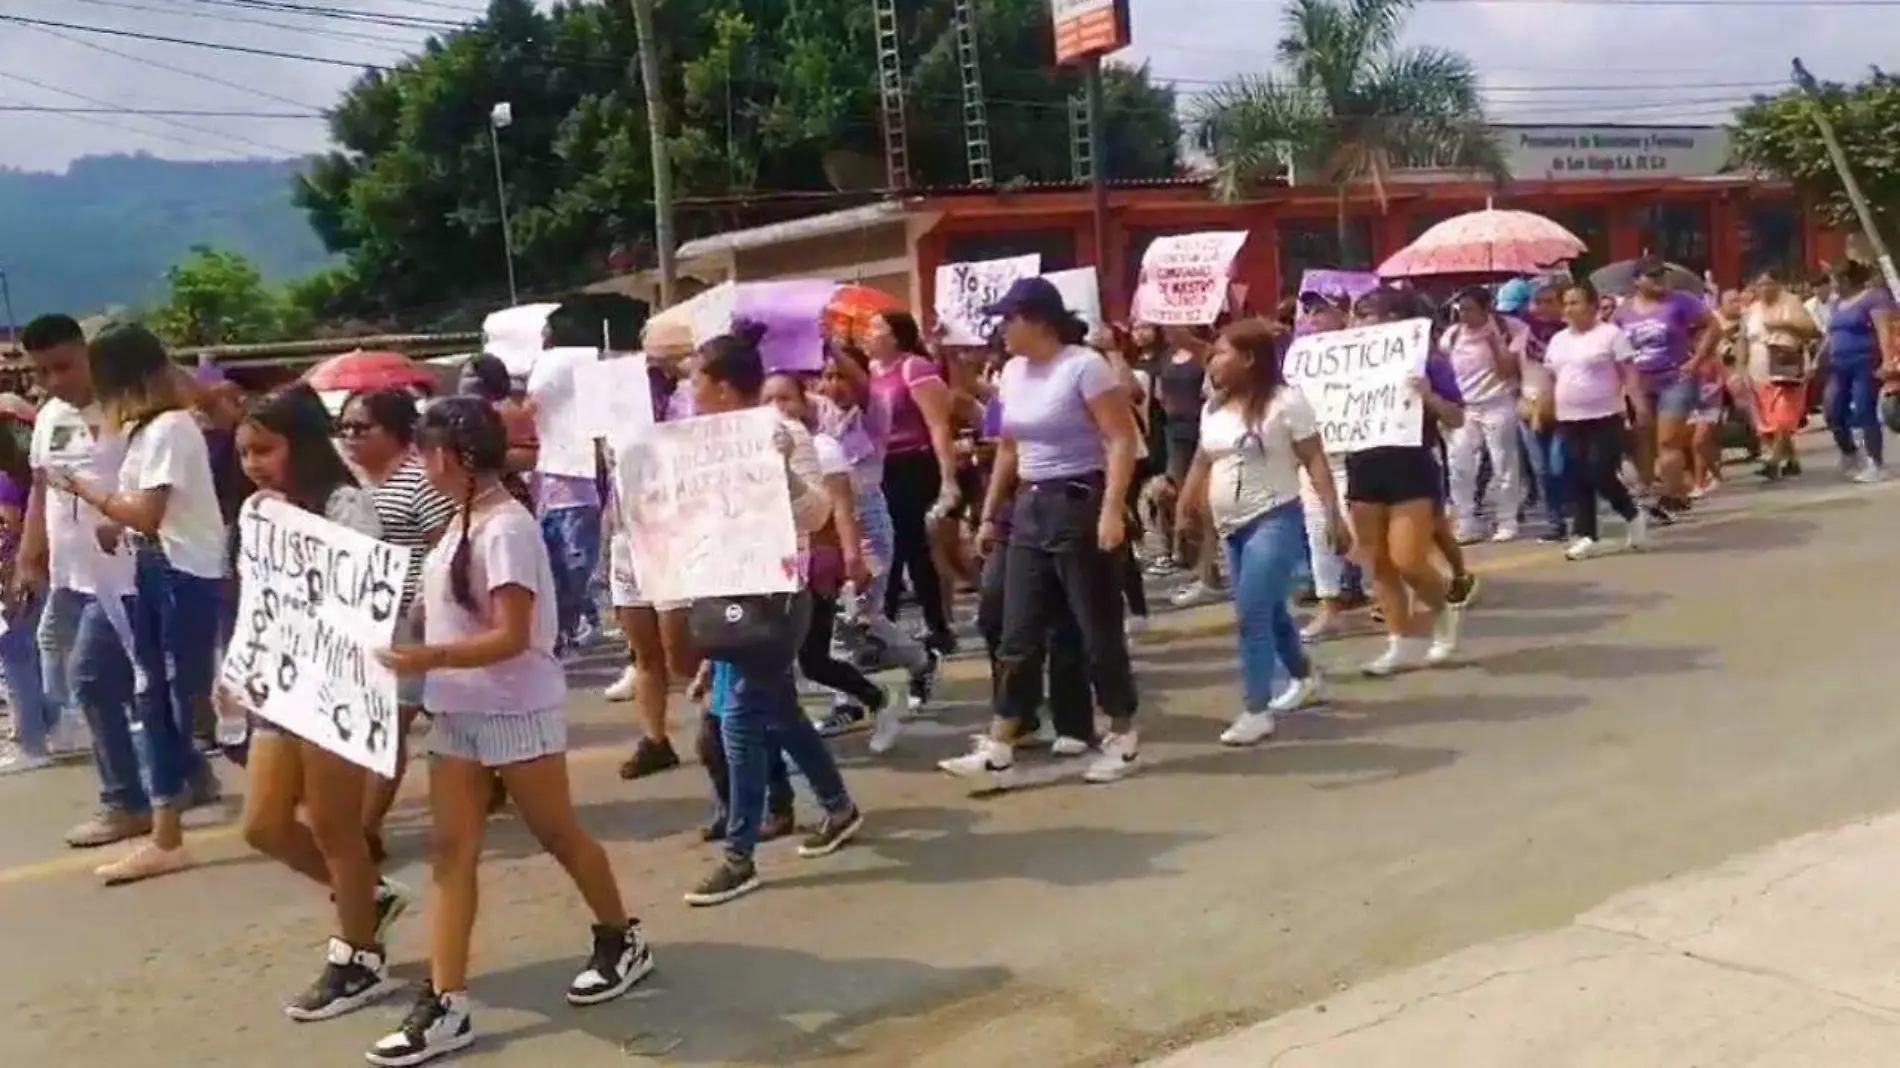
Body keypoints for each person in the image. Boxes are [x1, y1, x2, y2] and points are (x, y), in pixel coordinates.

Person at [368, 397, 653, 1067]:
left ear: (449, 457)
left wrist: (426, 658)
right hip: (459, 711)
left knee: (558, 834)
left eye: (426, 451)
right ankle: (447, 999)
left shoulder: (506, 529)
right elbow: (440, 606)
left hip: (512, 709)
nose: (421, 465)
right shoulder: (462, 519)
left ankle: (621, 936)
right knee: (450, 854)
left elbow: (510, 635)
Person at [223, 385, 414, 1021]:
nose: (252, 463)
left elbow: (363, 594)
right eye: (244, 451)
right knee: (264, 825)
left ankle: (358, 956)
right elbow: (257, 602)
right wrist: (239, 668)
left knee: (337, 827)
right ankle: (368, 898)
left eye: (264, 449)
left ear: (300, 445)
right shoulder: (257, 511)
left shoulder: (347, 504)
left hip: (338, 683)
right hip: (279, 684)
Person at [677, 326, 866, 907]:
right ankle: (839, 808)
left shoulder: (781, 435)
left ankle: (739, 857)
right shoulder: (696, 443)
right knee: (780, 714)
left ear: (726, 389)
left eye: (696, 383)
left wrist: (779, 468)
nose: (689, 393)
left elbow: (814, 515)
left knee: (737, 721)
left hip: (774, 594)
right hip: (725, 591)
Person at [940, 277, 1142, 787]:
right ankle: (1001, 740)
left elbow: (1120, 439)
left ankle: (1121, 733)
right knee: (1017, 629)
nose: (1002, 329)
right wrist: (989, 514)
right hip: (1028, 505)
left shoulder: (1084, 366)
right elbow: (1007, 447)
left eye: (1009, 319)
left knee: (1096, 629)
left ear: (1038, 320)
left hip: (1078, 499)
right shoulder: (1011, 372)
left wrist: (1113, 511)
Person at [54, 324, 226, 884]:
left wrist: (90, 493)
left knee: (189, 703)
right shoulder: (150, 430)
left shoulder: (169, 428)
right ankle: (166, 835)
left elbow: (148, 513)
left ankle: (294, 787)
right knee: (161, 701)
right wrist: (114, 524)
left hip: (181, 575)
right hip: (158, 570)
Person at [1177, 318, 1345, 747]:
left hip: (1274, 518)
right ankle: (1306, 677)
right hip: (1230, 526)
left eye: (1220, 352)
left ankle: (1256, 710)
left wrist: (1332, 515)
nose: (1212, 361)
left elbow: (1315, 461)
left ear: (1249, 359)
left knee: (1251, 614)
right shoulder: (1213, 407)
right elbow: (1202, 460)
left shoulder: (1286, 403)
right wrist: (1185, 507)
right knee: (1269, 612)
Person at [13, 314, 147, 846]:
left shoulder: (129, 411)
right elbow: (42, 488)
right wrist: (30, 554)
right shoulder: (49, 417)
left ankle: (125, 801)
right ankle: (183, 776)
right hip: (71, 574)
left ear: (88, 353)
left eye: (62, 366)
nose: (52, 381)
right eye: (41, 372)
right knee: (109, 680)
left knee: (91, 679)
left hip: (123, 574)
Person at [337, 388, 457, 864]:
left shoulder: (417, 482)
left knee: (390, 725)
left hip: (412, 620)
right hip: (368, 621)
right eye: (343, 428)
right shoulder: (353, 485)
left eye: (361, 428)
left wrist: (429, 595)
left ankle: (365, 829)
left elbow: (445, 541)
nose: (349, 437)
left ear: (395, 432)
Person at [1339, 289, 1466, 677]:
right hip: (1362, 461)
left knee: (1408, 557)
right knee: (1377, 560)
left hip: (1411, 462)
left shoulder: (1428, 360)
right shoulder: (1347, 362)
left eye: (1371, 313)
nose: (1362, 321)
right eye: (1358, 314)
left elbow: (1457, 417)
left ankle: (1443, 609)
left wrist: (1429, 397)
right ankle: (1400, 642)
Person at [868, 311, 961, 653]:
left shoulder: (915, 368)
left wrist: (948, 478)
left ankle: (935, 626)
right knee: (885, 547)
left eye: (876, 328)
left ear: (895, 336)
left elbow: (938, 426)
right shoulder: (870, 373)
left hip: (913, 465)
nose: (869, 334)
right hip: (881, 467)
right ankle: (887, 625)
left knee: (911, 546)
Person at [1546, 282, 1651, 560]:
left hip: (1605, 416)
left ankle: (1631, 513)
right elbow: (1552, 377)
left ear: (1593, 306)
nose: (1570, 308)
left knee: (1598, 471)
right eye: (1566, 303)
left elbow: (1629, 373)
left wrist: (1638, 406)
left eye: (1576, 302)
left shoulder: (1610, 335)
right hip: (1569, 417)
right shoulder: (1558, 340)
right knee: (1576, 475)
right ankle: (1586, 535)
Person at [1612, 257, 1718, 517]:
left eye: (1662, 275)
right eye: (1653, 276)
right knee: (1641, 438)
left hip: (1675, 378)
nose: (1660, 281)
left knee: (1668, 439)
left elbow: (1713, 326)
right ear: (1637, 281)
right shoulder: (1622, 313)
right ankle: (1650, 491)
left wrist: (1696, 359)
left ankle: (1672, 494)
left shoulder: (1681, 301)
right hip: (1640, 382)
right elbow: (1613, 348)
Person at [1441, 287, 1527, 543]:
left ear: (1486, 308)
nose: (1464, 315)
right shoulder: (1453, 335)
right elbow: (1445, 370)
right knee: (1460, 464)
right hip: (1465, 407)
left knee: (1504, 463)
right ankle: (1466, 521)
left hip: (1498, 403)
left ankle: (1507, 519)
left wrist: (1495, 345)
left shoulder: (1509, 328)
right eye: (1461, 309)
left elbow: (1509, 371)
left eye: (1470, 309)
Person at [0, 418, 56, 775]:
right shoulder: (16, 475)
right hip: (27, 572)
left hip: (12, 575)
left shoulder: (5, 481)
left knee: (16, 656)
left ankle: (32, 742)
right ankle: (42, 722)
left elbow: (8, 529)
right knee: (25, 653)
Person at [1820, 260, 1896, 483]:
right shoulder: (1837, 304)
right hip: (1838, 364)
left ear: (1845, 279)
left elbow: (1884, 330)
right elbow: (1830, 334)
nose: (1832, 285)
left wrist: (1888, 360)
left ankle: (1876, 462)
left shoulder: (1873, 297)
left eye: (1834, 280)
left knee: (1864, 410)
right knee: (1832, 411)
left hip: (1864, 362)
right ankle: (1850, 453)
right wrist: (1816, 360)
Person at [1743, 269, 1822, 480]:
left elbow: (1812, 330)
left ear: (1778, 284)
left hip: (1786, 367)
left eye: (1769, 284)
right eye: (1760, 285)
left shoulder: (1791, 303)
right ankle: (1791, 459)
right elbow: (1743, 339)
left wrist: (1784, 325)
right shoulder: (1752, 310)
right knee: (1769, 419)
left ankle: (1774, 460)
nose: (1764, 289)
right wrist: (1740, 368)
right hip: (1758, 369)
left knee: (1782, 416)